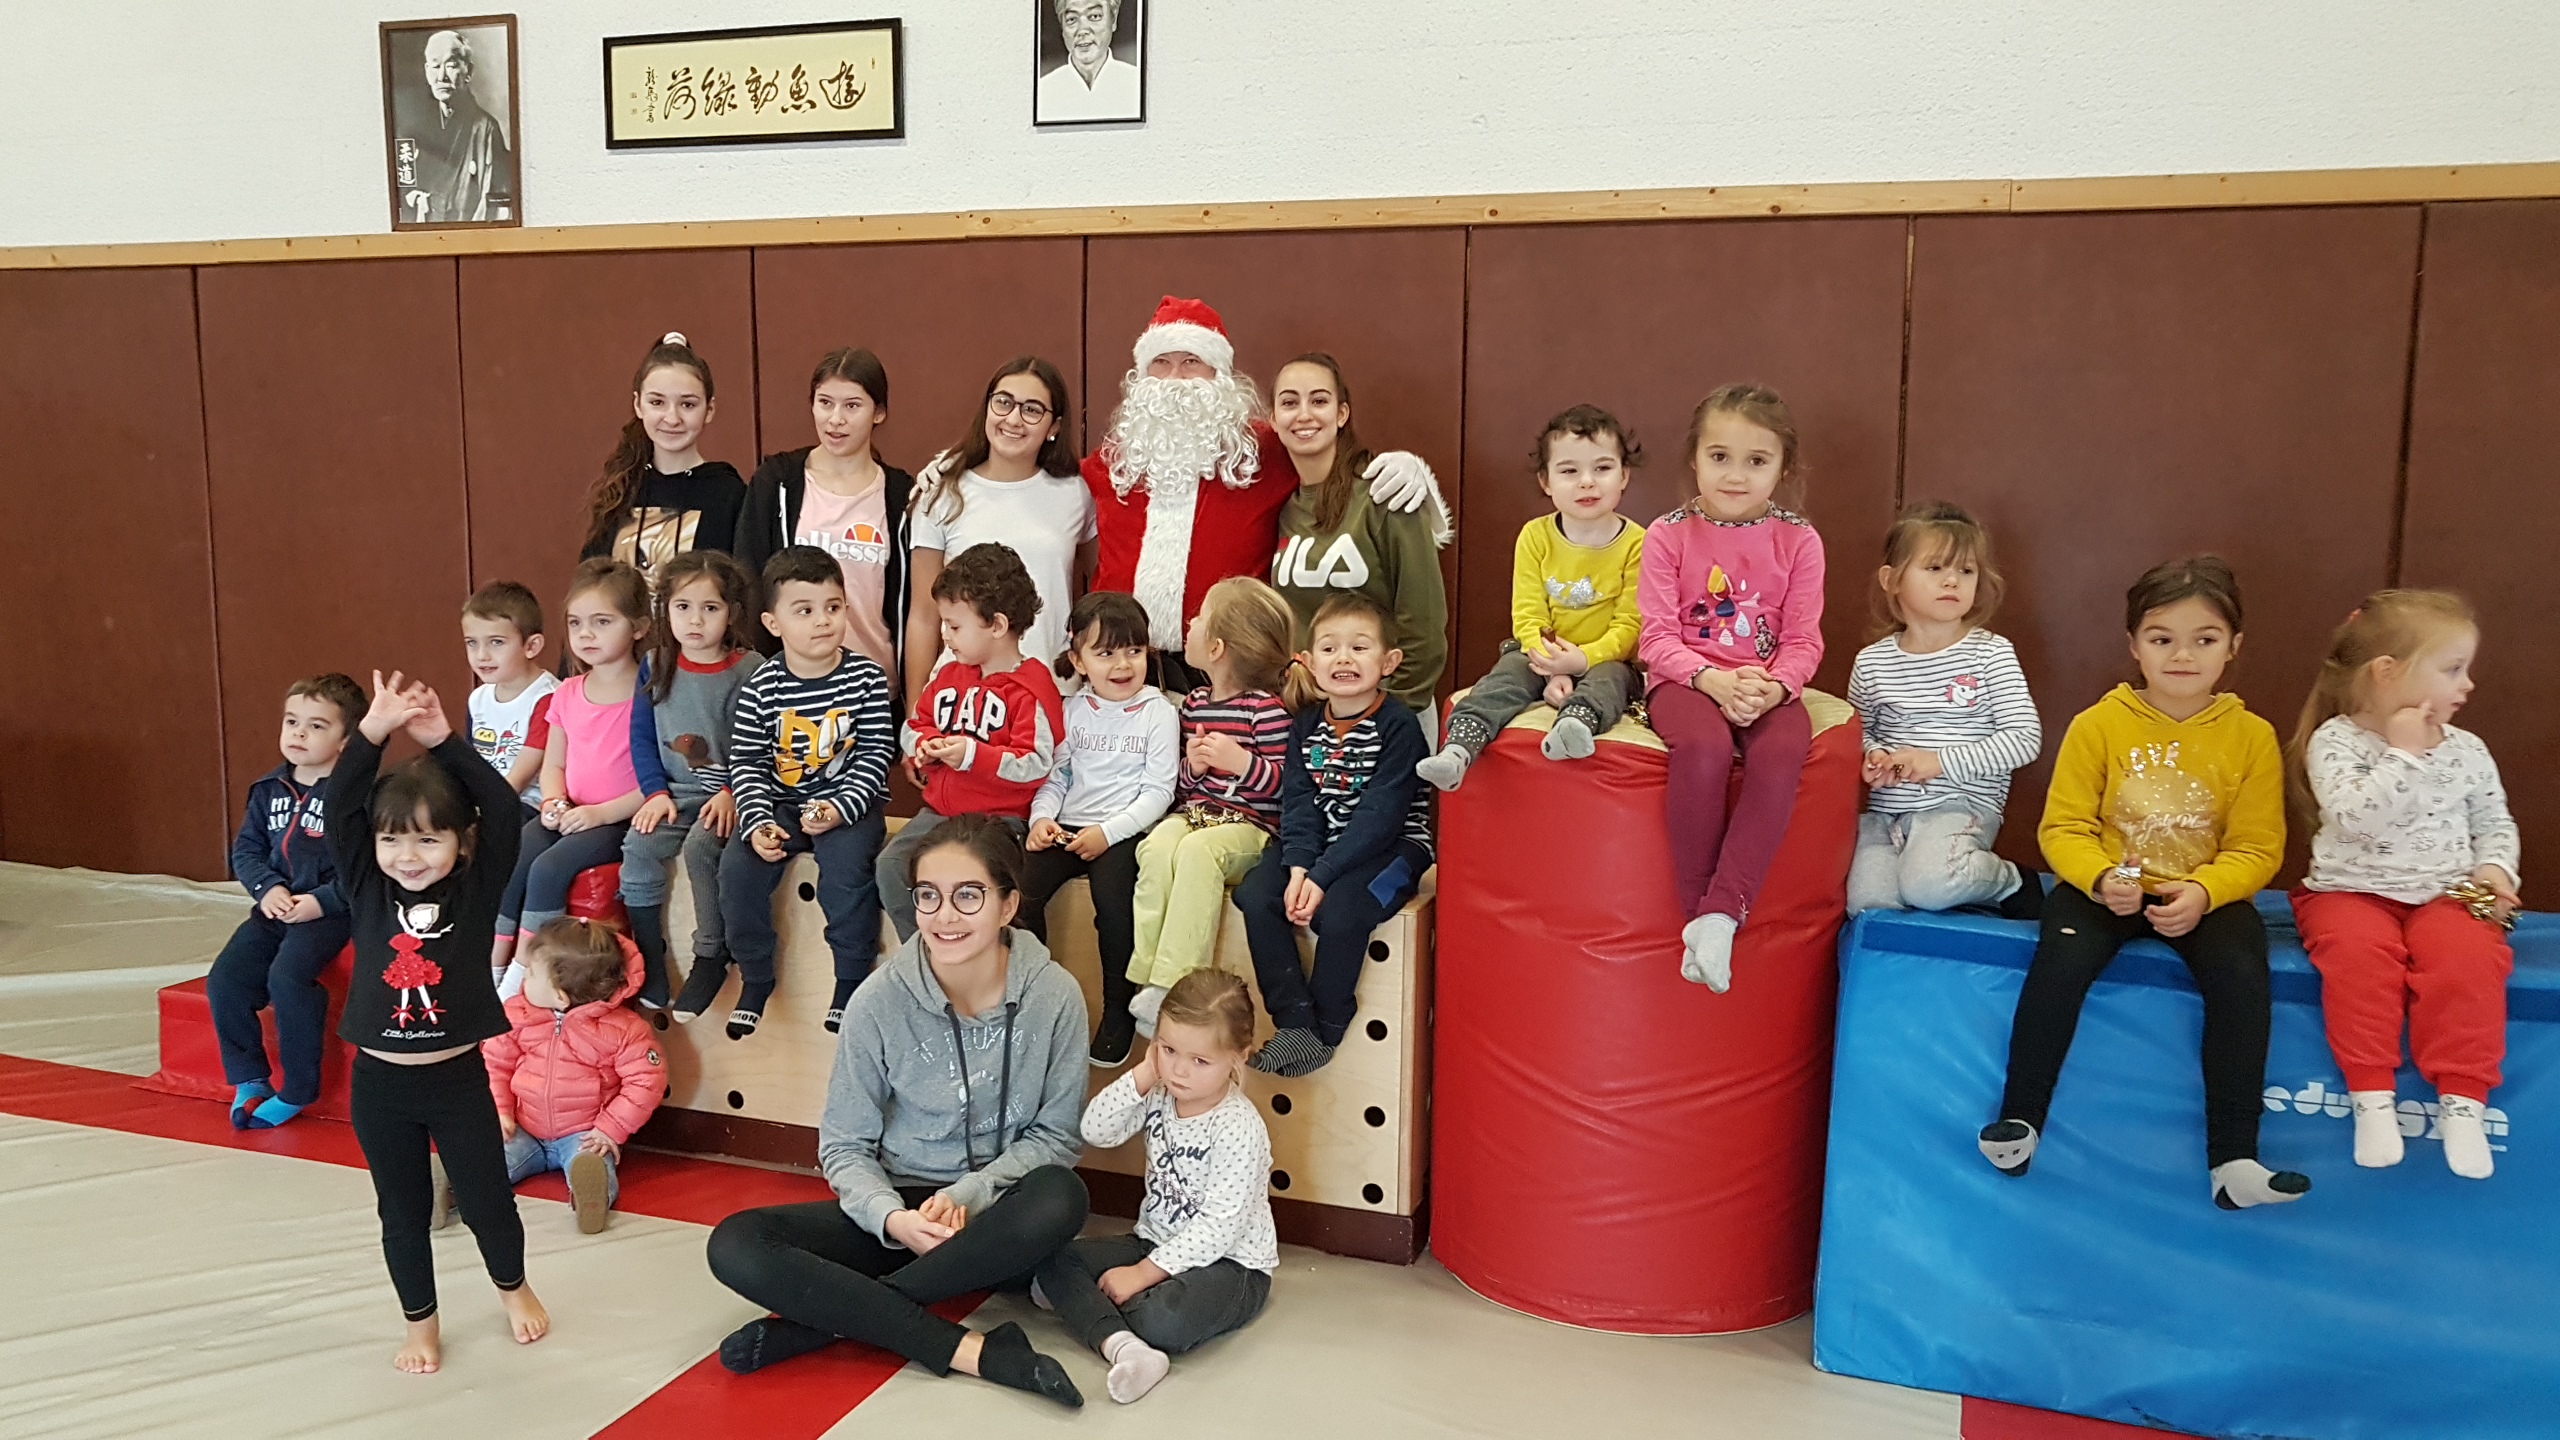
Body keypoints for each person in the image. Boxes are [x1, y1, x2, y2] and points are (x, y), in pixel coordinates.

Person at [707, 816, 1091, 1408]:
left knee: (1063, 1194)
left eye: (969, 895)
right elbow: (844, 1145)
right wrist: (894, 1219)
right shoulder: (878, 1000)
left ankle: (821, 1325)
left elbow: (1056, 1137)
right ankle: (974, 1351)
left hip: (997, 1216)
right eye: (928, 896)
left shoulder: (1055, 994)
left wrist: (969, 1195)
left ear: (1008, 905)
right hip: (903, 1214)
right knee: (735, 1241)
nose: (944, 916)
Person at [1979, 556, 2310, 1210]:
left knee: (2243, 972)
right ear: (2134, 646)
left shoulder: (2251, 737)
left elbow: (2257, 845)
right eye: (2162, 639)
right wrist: (2101, 878)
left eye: (2204, 640)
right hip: (2106, 887)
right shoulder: (2098, 726)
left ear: (2233, 648)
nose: (2182, 656)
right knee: (2061, 955)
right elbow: (2064, 827)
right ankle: (2021, 1119)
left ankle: (2235, 1160)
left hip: (2202, 894)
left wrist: (2207, 892)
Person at [326, 670, 547, 1373]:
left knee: (487, 1201)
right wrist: (370, 734)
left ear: (459, 845)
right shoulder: (366, 886)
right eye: (394, 841)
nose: (408, 858)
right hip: (380, 1088)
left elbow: (504, 813)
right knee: (403, 1210)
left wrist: (445, 742)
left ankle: (512, 1286)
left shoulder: (475, 891)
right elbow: (339, 812)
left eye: (427, 842)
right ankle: (420, 1323)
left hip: (456, 1083)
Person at [1083, 296, 1444, 685]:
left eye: (1191, 362)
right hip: (1125, 670)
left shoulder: (1261, 452)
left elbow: (1322, 450)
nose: (1175, 379)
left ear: (1218, 375)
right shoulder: (1109, 464)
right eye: (1161, 363)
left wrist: (1407, 468)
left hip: (1234, 671)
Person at [2288, 590, 2521, 1179]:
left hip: (2446, 892)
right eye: (2451, 669)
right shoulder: (2337, 741)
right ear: (2387, 673)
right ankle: (2372, 1098)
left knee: (2469, 957)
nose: (2466, 685)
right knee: (2360, 960)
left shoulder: (2468, 750)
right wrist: (2406, 755)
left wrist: (2495, 870)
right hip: (2348, 892)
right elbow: (2356, 819)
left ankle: (2464, 1104)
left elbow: (2493, 821)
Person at [1637, 383, 1826, 992]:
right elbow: (1656, 638)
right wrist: (1711, 680)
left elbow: (1804, 640)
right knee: (1706, 749)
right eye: (1720, 457)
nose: (1736, 475)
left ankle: (1722, 912)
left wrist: (1775, 689)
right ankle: (1699, 910)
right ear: (1694, 459)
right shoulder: (1668, 534)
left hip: (1765, 685)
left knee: (1780, 752)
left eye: (1757, 461)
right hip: (1687, 678)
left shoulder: (1799, 540)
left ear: (1783, 468)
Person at [1031, 969, 1276, 1404]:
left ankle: (1097, 1311)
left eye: (1200, 1061)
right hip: (1153, 1241)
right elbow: (1096, 1129)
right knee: (1052, 1261)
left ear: (1239, 1057)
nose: (1179, 1070)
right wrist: (1144, 1074)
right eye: (1168, 1049)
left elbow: (1220, 1228)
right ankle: (1125, 1347)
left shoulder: (1239, 1127)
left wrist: (1143, 1275)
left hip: (1232, 1266)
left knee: (1162, 1318)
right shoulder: (1161, 1091)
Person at [695, 546, 898, 1037]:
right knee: (738, 870)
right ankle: (756, 976)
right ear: (773, 622)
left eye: (833, 607)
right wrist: (759, 820)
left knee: (846, 876)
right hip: (782, 805)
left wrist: (839, 806)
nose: (823, 621)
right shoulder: (761, 686)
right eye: (804, 611)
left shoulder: (866, 678)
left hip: (849, 804)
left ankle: (851, 979)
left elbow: (875, 753)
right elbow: (748, 762)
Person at [1237, 593, 1433, 1077]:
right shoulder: (1305, 725)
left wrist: (1321, 877)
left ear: (1389, 662)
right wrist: (1300, 866)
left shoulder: (1399, 727)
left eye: (1359, 647)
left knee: (1342, 913)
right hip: (1320, 845)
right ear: (1308, 660)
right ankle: (1296, 1022)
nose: (1343, 658)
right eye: (1329, 648)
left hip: (1391, 848)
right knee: (1257, 894)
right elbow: (1299, 802)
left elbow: (1380, 817)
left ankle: (1327, 1025)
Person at [1421, 404, 1644, 789]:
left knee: (1610, 680)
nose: (1587, 482)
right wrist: (1554, 666)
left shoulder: (1639, 543)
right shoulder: (1535, 536)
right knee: (1506, 674)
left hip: (1609, 658)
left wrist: (1583, 661)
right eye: (1570, 471)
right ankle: (1459, 747)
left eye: (1602, 469)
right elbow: (1527, 612)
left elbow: (1630, 624)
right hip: (1541, 653)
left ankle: (1574, 724)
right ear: (1546, 481)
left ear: (1624, 475)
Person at [1845, 502, 2043, 916]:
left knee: (1929, 887)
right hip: (1887, 815)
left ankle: (2009, 881)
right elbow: (1859, 733)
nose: (1952, 579)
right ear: (1892, 580)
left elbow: (2024, 740)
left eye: (1966, 571)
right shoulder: (1872, 661)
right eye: (1935, 568)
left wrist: (1938, 762)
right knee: (1868, 905)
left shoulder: (1990, 653)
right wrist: (1873, 755)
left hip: (1959, 806)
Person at [1126, 577, 1298, 1032]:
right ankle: (1144, 974)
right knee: (1158, 844)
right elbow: (1182, 788)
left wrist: (1241, 764)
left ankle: (1174, 983)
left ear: (1218, 647)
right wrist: (1195, 770)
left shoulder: (1266, 710)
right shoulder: (1195, 704)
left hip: (1248, 826)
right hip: (1196, 814)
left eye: (1199, 617)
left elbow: (1285, 788)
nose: (1190, 622)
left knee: (1199, 855)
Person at [1018, 592, 1181, 1065]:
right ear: (1078, 660)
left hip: (1124, 832)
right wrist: (1041, 819)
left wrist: (1109, 833)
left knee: (1115, 906)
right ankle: (1035, 1004)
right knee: (1020, 893)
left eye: (1133, 651)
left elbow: (1158, 791)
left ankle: (1119, 1011)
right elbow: (1056, 774)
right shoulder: (1070, 710)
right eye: (1105, 652)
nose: (1122, 664)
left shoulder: (1159, 712)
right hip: (1067, 826)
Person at [878, 544, 1065, 941]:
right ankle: (931, 961)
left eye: (955, 626)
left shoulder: (1030, 686)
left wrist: (972, 756)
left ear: (997, 625)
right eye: (944, 624)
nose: (945, 636)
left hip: (1000, 820)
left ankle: (1000, 973)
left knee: (983, 891)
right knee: (892, 867)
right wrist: (923, 744)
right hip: (940, 813)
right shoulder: (949, 673)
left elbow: (1035, 763)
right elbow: (916, 724)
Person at [210, 673, 364, 1130]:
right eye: (292, 721)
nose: (299, 733)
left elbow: (366, 869)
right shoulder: (268, 789)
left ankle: (298, 1086)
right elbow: (247, 851)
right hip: (275, 908)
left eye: (317, 726)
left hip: (328, 913)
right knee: (226, 980)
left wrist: (322, 902)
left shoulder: (354, 799)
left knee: (288, 977)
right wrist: (267, 890)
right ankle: (249, 1076)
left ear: (346, 740)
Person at [494, 559, 650, 990]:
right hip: (571, 812)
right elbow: (555, 763)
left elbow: (655, 783)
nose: (586, 634)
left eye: (602, 622)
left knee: (548, 869)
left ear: (638, 627)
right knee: (517, 848)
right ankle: (492, 961)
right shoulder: (566, 692)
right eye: (577, 622)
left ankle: (525, 972)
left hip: (617, 819)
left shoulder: (650, 696)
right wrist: (552, 802)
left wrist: (600, 814)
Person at [1266, 353, 1449, 716]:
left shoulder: (1386, 492)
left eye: (1319, 400)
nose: (1304, 414)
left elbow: (1424, 624)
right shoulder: (1282, 509)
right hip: (1309, 717)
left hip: (1390, 713)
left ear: (1342, 414)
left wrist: (1389, 714)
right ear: (1273, 419)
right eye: (1289, 402)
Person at [905, 357, 1095, 696]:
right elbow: (923, 615)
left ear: (1054, 427)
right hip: (961, 696)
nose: (1013, 419)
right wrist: (914, 716)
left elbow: (1101, 586)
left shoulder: (1075, 493)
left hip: (1050, 693)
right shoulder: (941, 492)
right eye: (1004, 402)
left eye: (1032, 409)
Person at [622, 550, 761, 1009]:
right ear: (665, 610)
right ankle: (649, 959)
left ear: (732, 614)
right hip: (674, 797)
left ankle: (711, 953)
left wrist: (729, 792)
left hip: (731, 795)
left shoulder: (749, 669)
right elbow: (641, 737)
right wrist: (655, 793)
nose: (695, 620)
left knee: (703, 848)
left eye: (710, 608)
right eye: (683, 607)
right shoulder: (655, 663)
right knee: (638, 847)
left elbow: (755, 743)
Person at [734, 348, 913, 683]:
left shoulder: (900, 494)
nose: (835, 419)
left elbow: (915, 602)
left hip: (874, 690)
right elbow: (748, 578)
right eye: (825, 403)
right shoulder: (778, 481)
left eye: (852, 406)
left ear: (879, 413)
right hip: (791, 689)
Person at [485, 916, 663, 1233]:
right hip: (524, 1127)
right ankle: (453, 1184)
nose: (523, 979)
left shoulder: (625, 1030)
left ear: (560, 997)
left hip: (583, 1135)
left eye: (530, 973)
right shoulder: (516, 1015)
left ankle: (590, 1199)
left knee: (594, 1164)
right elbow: (495, 1064)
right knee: (490, 1158)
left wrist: (610, 1129)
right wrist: (500, 1110)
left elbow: (646, 1082)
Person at [580, 333, 744, 585]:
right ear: (638, 405)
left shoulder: (728, 494)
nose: (672, 418)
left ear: (709, 410)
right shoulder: (621, 491)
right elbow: (591, 587)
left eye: (687, 405)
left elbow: (740, 590)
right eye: (657, 402)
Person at [399, 29, 515, 224]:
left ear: (468, 71)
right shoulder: (412, 128)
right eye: (435, 66)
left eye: (451, 65)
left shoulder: (485, 129)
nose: (441, 76)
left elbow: (498, 202)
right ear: (427, 70)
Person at [462, 581, 558, 812]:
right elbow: (469, 761)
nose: (481, 655)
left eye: (496, 642)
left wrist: (480, 810)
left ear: (531, 646)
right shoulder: (478, 699)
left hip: (528, 805)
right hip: (488, 801)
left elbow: (521, 777)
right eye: (472, 643)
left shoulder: (548, 697)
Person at [1037, 0, 1143, 122]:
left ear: (1113, 19)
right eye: (1071, 19)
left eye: (1094, 16)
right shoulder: (1043, 91)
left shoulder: (1137, 83)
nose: (1082, 31)